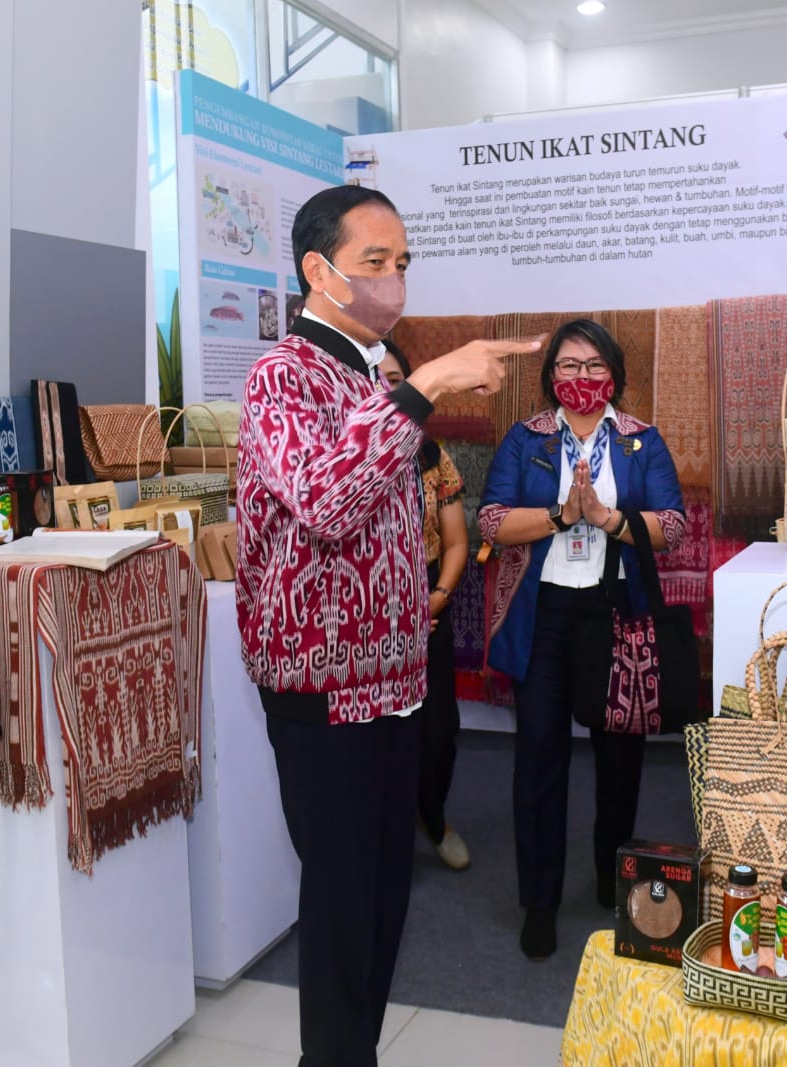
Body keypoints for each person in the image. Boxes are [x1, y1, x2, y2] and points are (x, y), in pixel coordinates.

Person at [236, 184, 540, 1067]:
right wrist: (431, 382)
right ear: (318, 272)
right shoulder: (283, 374)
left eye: (403, 262)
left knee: (379, 908)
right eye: (375, 263)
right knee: (339, 917)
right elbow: (330, 502)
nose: (394, 280)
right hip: (322, 692)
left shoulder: (366, 374)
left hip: (397, 682)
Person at [477, 318, 686, 961]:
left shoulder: (640, 441)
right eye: (567, 366)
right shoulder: (526, 439)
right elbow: (490, 518)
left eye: (593, 365)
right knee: (539, 760)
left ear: (615, 375)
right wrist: (562, 515)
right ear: (550, 378)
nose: (581, 378)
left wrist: (609, 518)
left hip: (614, 613)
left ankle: (609, 876)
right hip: (545, 617)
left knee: (619, 762)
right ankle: (539, 903)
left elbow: (672, 525)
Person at [377, 341, 471, 871]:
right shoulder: (343, 460)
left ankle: (432, 818)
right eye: (376, 378)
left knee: (438, 731)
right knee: (381, 736)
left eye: (397, 379)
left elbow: (457, 542)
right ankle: (387, 831)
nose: (387, 388)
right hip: (367, 613)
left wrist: (435, 598)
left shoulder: (433, 458)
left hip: (429, 599)